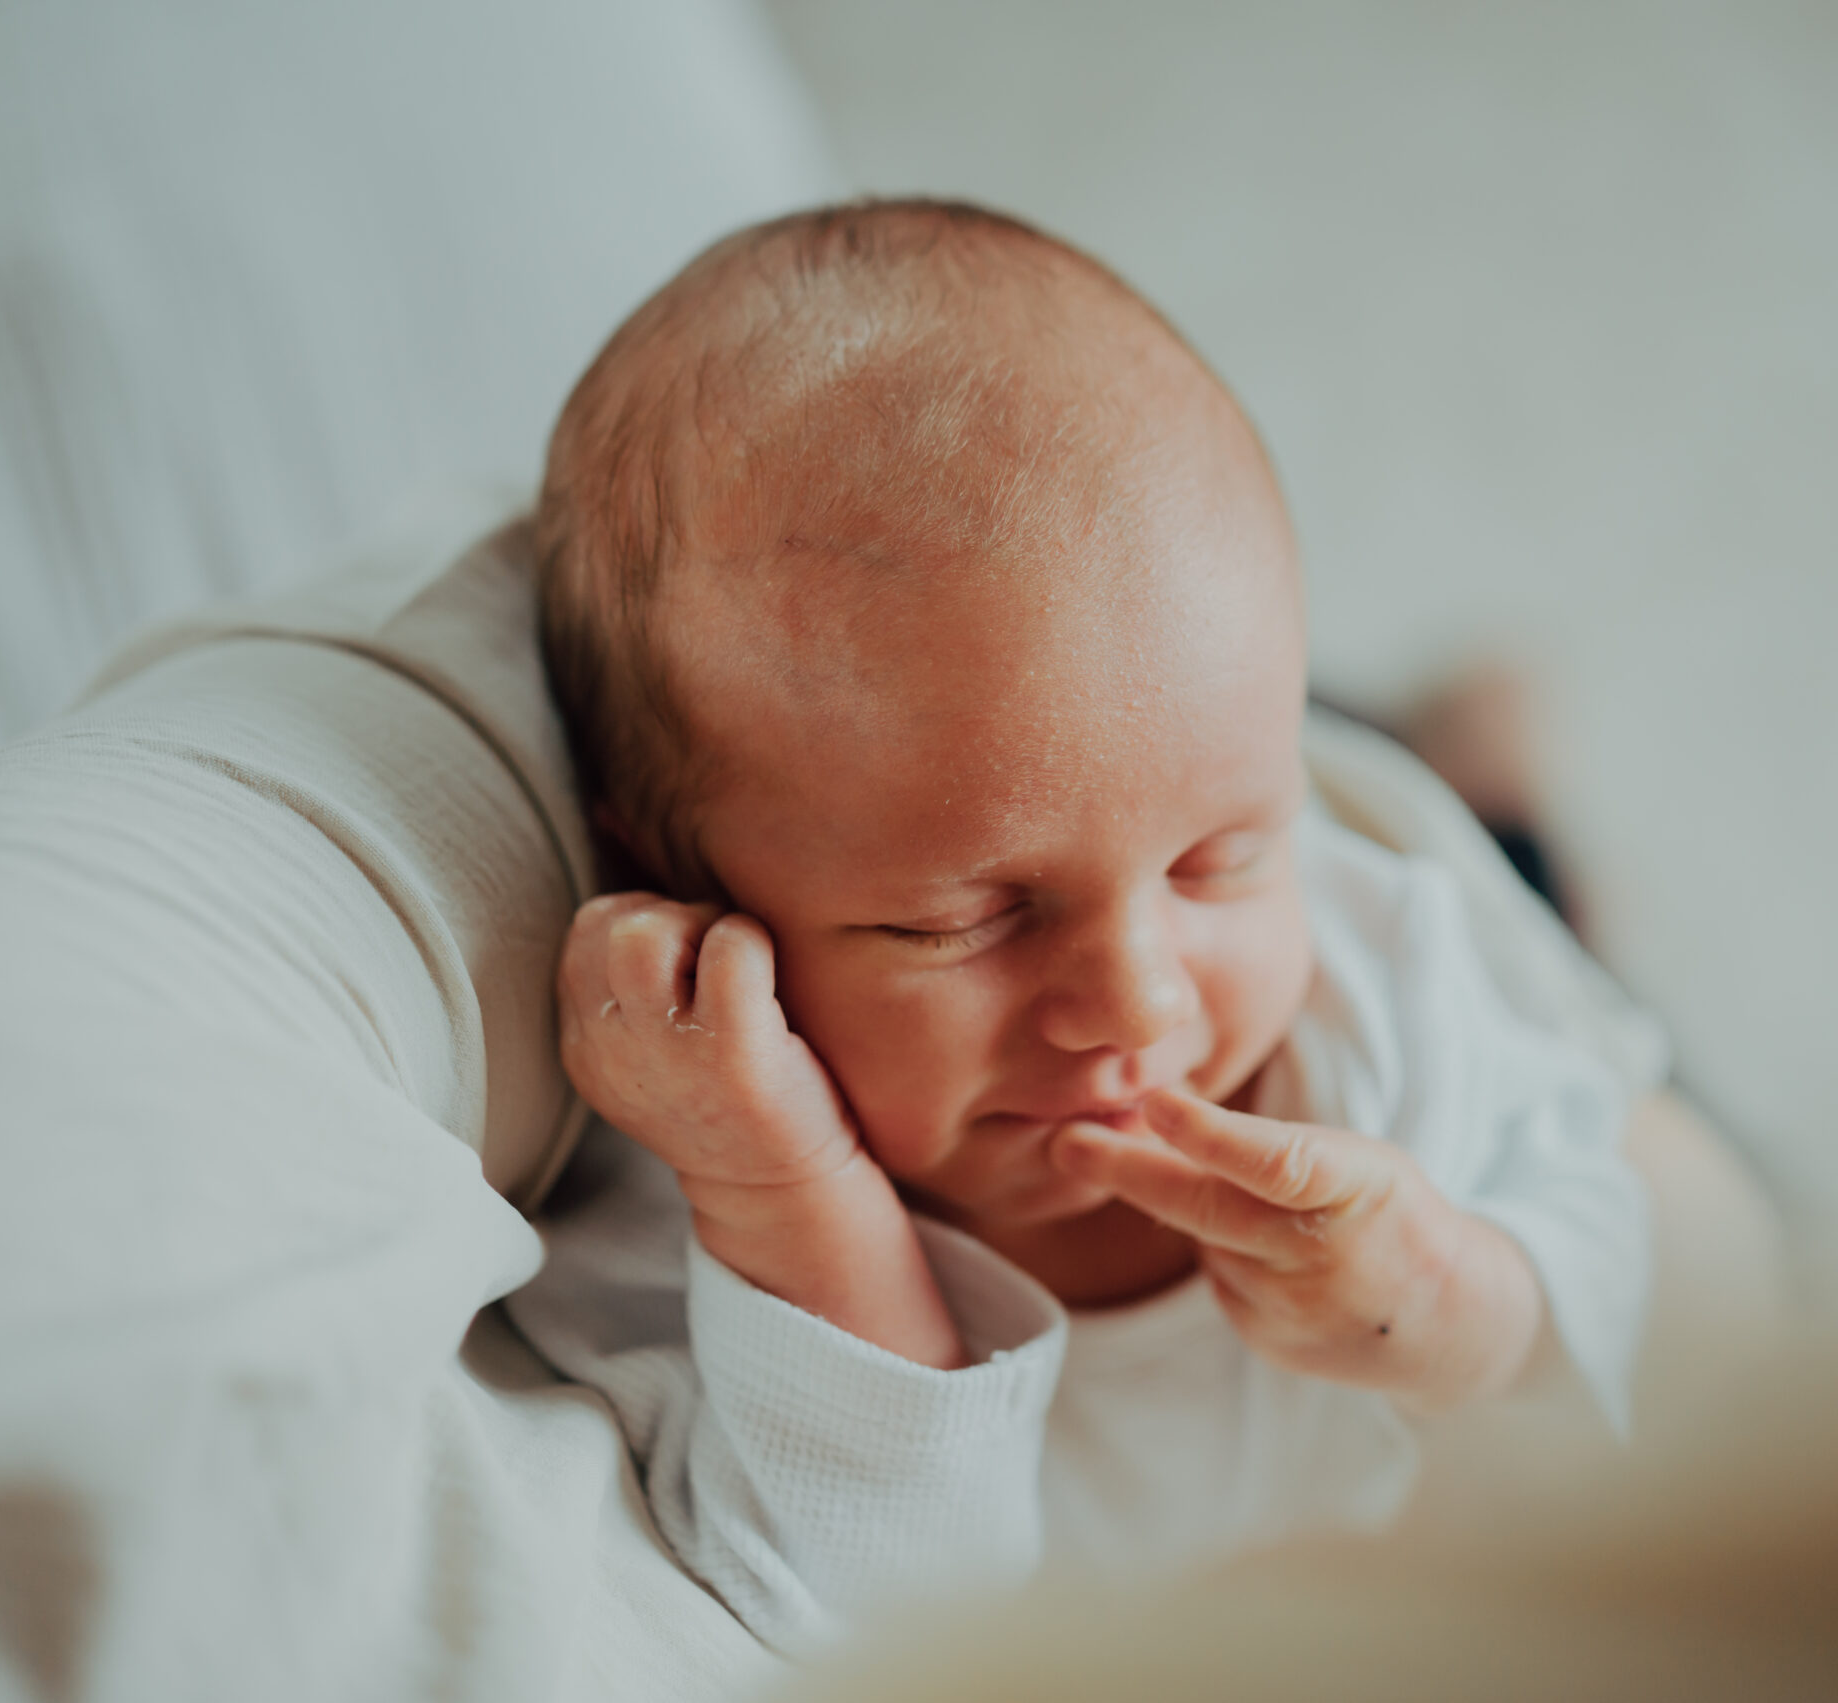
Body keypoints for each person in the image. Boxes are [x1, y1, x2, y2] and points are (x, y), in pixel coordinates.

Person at [504, 199, 1649, 1653]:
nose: (1140, 1005)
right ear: (676, 886)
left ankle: (1467, 767)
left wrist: (1457, 1299)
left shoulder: (1382, 989)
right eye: (965, 921)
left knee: (1531, 896)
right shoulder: (663, 1235)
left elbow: (1624, 1245)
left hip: (1423, 862)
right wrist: (793, 1205)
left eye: (1222, 860)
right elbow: (887, 1628)